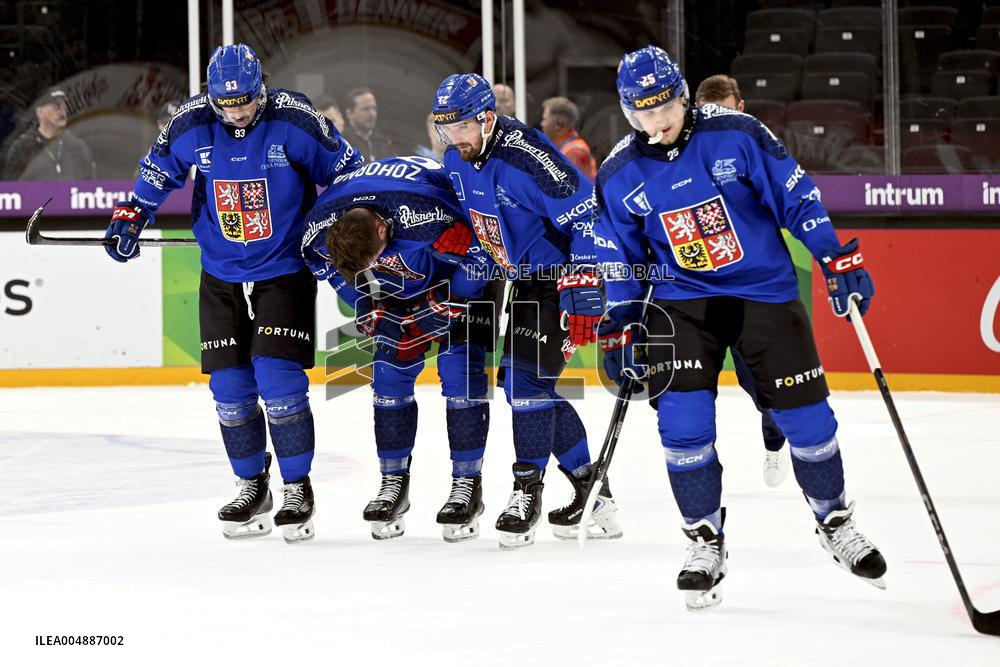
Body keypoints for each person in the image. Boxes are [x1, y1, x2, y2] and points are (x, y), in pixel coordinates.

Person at [595, 45, 884, 610]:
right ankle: (704, 540)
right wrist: (622, 321)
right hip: (683, 303)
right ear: (628, 113)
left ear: (682, 94)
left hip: (765, 292)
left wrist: (834, 257)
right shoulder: (619, 173)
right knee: (683, 426)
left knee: (808, 421)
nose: (657, 122)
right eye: (642, 113)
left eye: (663, 107)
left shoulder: (738, 134)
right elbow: (619, 258)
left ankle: (835, 520)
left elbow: (797, 198)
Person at [102, 43, 362, 543]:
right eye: (227, 103)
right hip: (220, 269)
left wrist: (342, 230)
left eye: (245, 100)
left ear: (261, 87)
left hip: (285, 266)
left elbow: (347, 172)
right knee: (230, 390)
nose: (237, 111)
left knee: (278, 378)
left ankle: (297, 488)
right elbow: (158, 171)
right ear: (211, 96)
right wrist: (134, 212)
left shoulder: (296, 119)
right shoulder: (189, 123)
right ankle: (251, 486)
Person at [432, 72, 621, 549]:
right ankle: (593, 493)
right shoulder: (458, 158)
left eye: (462, 127)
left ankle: (525, 492)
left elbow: (588, 215)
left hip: (561, 278)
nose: (454, 138)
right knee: (528, 384)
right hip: (525, 281)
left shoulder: (527, 157)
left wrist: (585, 277)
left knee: (524, 383)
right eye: (446, 128)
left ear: (488, 118)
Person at [301, 156, 502, 543]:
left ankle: (467, 486)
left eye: (376, 256)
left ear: (381, 229)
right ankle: (393, 482)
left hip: (458, 275)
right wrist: (364, 301)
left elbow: (489, 252)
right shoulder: (319, 226)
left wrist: (452, 301)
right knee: (388, 377)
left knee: (460, 373)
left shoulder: (429, 213)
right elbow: (329, 269)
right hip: (399, 288)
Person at [695, 75, 788, 486]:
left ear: (741, 107)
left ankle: (774, 439)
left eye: (725, 112)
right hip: (696, 289)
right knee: (691, 389)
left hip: (750, 288)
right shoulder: (678, 152)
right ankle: (699, 468)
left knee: (760, 384)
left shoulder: (756, 145)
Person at [2, 89, 96, 180]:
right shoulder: (23, 147)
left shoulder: (78, 147)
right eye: (56, 107)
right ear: (40, 112)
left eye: (64, 106)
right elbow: (11, 188)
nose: (62, 112)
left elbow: (89, 186)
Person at [540, 96, 597, 183]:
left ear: (558, 124)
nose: (542, 124)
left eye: (545, 119)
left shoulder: (574, 152)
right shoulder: (570, 148)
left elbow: (572, 191)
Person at [341, 87, 395, 161]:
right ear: (349, 114)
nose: (372, 114)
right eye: (365, 109)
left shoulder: (385, 142)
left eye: (374, 108)